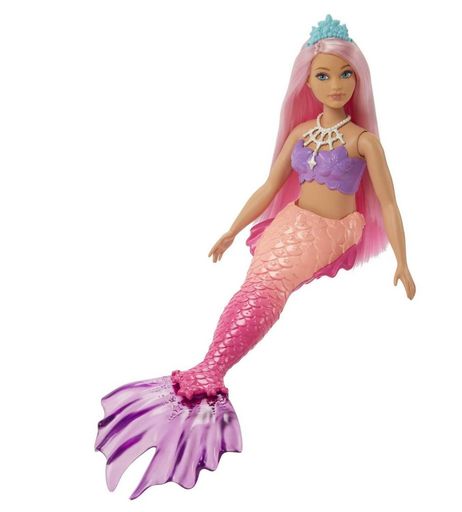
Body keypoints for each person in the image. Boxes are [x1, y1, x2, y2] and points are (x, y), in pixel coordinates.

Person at [95, 14, 416, 500]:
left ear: (359, 79)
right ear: (307, 82)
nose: (335, 85)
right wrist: (232, 229)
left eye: (345, 74)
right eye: (323, 75)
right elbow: (268, 188)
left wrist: (402, 260)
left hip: (332, 230)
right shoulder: (301, 133)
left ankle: (210, 375)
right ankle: (206, 371)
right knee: (254, 285)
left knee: (271, 286)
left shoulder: (363, 140)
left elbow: (388, 203)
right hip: (291, 220)